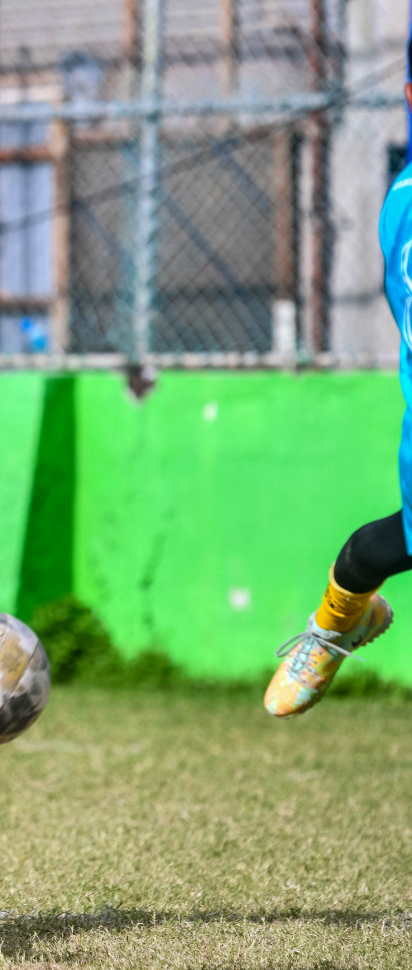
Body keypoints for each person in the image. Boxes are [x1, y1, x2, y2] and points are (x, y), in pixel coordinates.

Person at [266, 75, 412, 716]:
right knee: (382, 546)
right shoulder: (404, 208)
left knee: (384, 546)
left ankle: (336, 622)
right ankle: (335, 624)